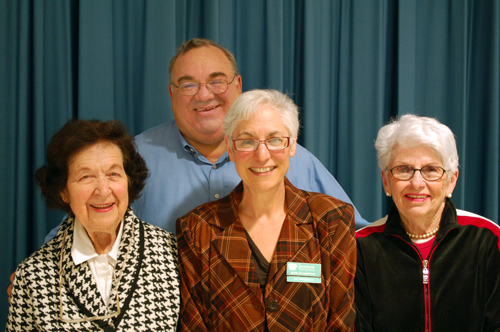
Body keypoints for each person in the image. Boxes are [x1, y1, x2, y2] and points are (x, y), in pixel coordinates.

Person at [177, 89, 356, 331]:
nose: (262, 155)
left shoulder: (332, 219)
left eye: (274, 140)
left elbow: (342, 323)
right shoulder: (197, 228)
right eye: (247, 141)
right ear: (230, 148)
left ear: (292, 145)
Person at [6, 120, 180, 331]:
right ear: (63, 190)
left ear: (129, 180)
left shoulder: (174, 255)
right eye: (86, 176)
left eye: (113, 174)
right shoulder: (33, 275)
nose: (103, 190)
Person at [355, 114, 500, 331]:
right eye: (403, 169)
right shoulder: (361, 247)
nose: (417, 183)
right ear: (386, 181)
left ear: (451, 181)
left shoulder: (486, 238)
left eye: (431, 170)